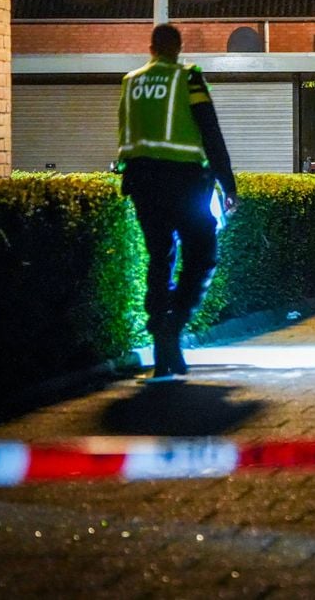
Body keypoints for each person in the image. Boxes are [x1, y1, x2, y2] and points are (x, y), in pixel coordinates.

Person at [117, 24, 238, 379]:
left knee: (160, 257)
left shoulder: (131, 81)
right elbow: (209, 130)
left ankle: (161, 341)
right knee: (202, 255)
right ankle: (174, 324)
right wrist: (228, 184)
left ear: (151, 47)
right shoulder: (189, 78)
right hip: (183, 182)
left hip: (140, 181)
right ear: (178, 49)